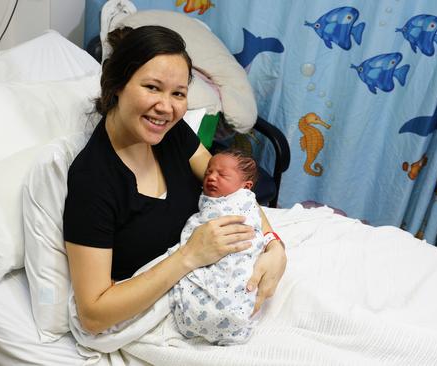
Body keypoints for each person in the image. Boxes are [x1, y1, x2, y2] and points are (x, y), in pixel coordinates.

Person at [63, 25, 286, 336]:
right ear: (117, 85)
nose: (166, 107)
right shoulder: (94, 181)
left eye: (178, 93)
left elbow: (234, 196)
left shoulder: (171, 134)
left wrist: (274, 245)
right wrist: (189, 256)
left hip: (226, 282)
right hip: (176, 312)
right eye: (152, 87)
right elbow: (94, 313)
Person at [170, 148, 282, 345]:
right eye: (208, 173)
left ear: (246, 187)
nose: (211, 177)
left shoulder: (242, 203)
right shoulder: (209, 201)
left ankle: (230, 315)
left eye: (222, 175)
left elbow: (252, 229)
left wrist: (274, 244)